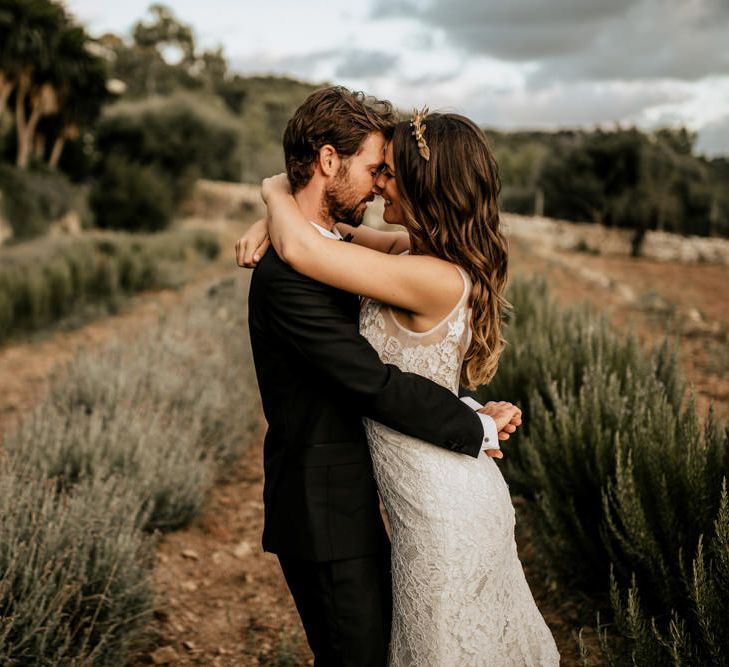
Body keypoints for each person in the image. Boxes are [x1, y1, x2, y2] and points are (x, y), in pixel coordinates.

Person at [246, 107, 560, 665]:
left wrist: (273, 193)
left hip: (441, 502)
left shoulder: (429, 273)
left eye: (388, 171)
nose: (381, 182)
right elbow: (326, 235)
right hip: (405, 494)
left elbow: (309, 250)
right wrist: (281, 208)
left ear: (423, 184)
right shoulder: (408, 253)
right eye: (377, 168)